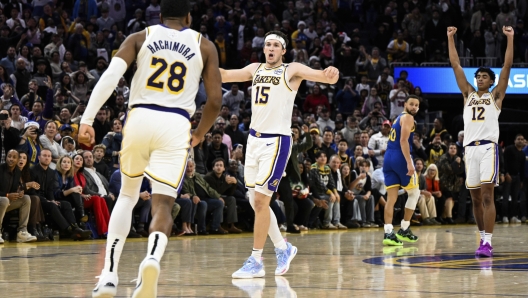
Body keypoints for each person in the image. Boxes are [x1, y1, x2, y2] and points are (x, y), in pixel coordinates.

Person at [81, 1, 222, 297]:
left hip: (140, 117)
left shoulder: (140, 37)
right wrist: (198, 134)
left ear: (159, 16)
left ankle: (108, 275)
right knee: (163, 204)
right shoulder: (205, 45)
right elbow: (215, 102)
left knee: (128, 196)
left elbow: (110, 77)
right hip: (176, 124)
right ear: (189, 17)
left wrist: (88, 119)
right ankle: (152, 259)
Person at [219, 30, 339, 278]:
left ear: (283, 50)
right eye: (267, 45)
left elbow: (323, 77)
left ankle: (256, 260)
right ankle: (284, 248)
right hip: (253, 140)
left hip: (276, 142)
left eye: (276, 45)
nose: (271, 48)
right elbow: (224, 74)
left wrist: (330, 74)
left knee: (262, 202)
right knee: (255, 201)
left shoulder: (291, 69)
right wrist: (201, 63)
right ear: (263, 49)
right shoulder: (255, 69)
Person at [448, 25, 513, 257]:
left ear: (491, 81)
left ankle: (488, 242)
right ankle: (481, 238)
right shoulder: (468, 94)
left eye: (484, 76)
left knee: (487, 196)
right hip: (469, 150)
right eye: (478, 76)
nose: (480, 78)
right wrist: (451, 38)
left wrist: (510, 38)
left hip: (488, 147)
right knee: (475, 199)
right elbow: (455, 65)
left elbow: (506, 67)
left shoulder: (496, 96)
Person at [382, 95, 421, 246]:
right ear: (405, 104)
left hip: (388, 158)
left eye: (417, 105)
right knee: (415, 192)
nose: (414, 108)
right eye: (412, 104)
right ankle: (404, 228)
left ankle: (388, 233)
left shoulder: (398, 118)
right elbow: (403, 141)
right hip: (400, 157)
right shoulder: (408, 118)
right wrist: (409, 163)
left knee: (391, 198)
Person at [0, 150, 38, 243]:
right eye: (9, 156)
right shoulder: (1, 169)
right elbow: (6, 194)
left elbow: (14, 188)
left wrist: (19, 191)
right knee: (4, 200)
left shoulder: (17, 172)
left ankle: (22, 232)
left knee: (26, 198)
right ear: (6, 158)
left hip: (6, 201)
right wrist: (7, 195)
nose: (11, 159)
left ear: (17, 160)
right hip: (3, 199)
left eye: (14, 157)